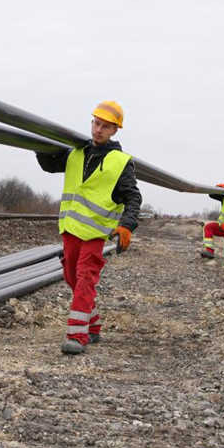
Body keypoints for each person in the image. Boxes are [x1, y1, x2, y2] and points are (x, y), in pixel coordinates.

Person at [36, 101, 142, 355]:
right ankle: (92, 325)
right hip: (70, 228)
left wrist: (126, 227)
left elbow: (133, 197)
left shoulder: (121, 162)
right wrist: (38, 142)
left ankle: (77, 335)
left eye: (105, 126)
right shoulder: (75, 153)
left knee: (85, 279)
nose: (98, 130)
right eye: (96, 123)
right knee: (71, 276)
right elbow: (49, 164)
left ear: (115, 130)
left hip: (95, 234)